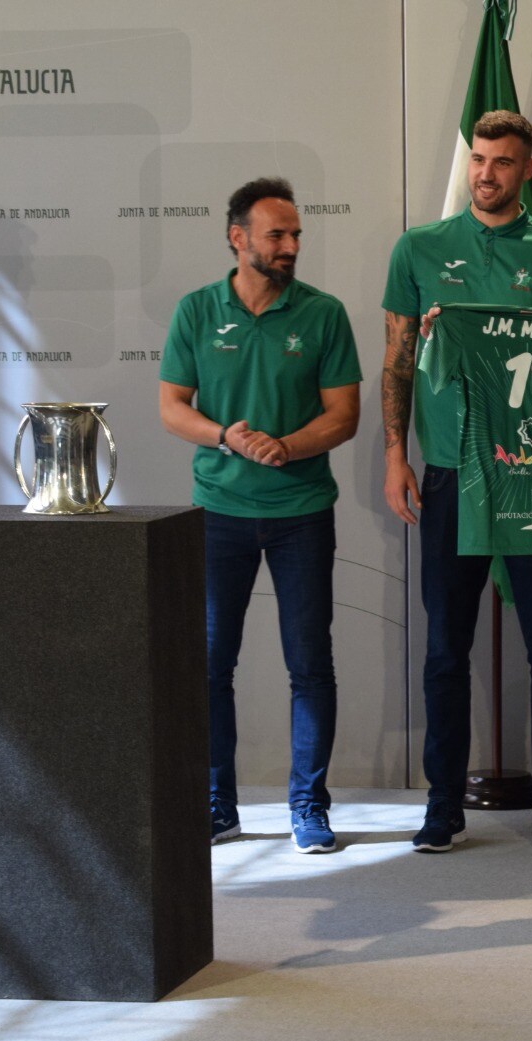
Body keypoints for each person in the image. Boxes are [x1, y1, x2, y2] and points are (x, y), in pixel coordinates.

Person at [381, 110, 532, 855]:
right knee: (446, 646)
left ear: (527, 170)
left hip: (531, 476)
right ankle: (443, 806)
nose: (487, 173)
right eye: (478, 158)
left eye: (503, 162)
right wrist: (392, 454)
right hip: (448, 476)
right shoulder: (419, 249)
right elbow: (398, 360)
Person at [159, 177, 362, 854]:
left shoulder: (324, 313)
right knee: (211, 665)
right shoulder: (195, 310)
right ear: (237, 237)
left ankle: (309, 805)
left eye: (296, 234)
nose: (291, 245)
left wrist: (287, 446)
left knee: (310, 663)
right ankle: (218, 803)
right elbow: (172, 406)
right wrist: (226, 436)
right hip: (218, 513)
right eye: (277, 234)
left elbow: (343, 414)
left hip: (303, 512)